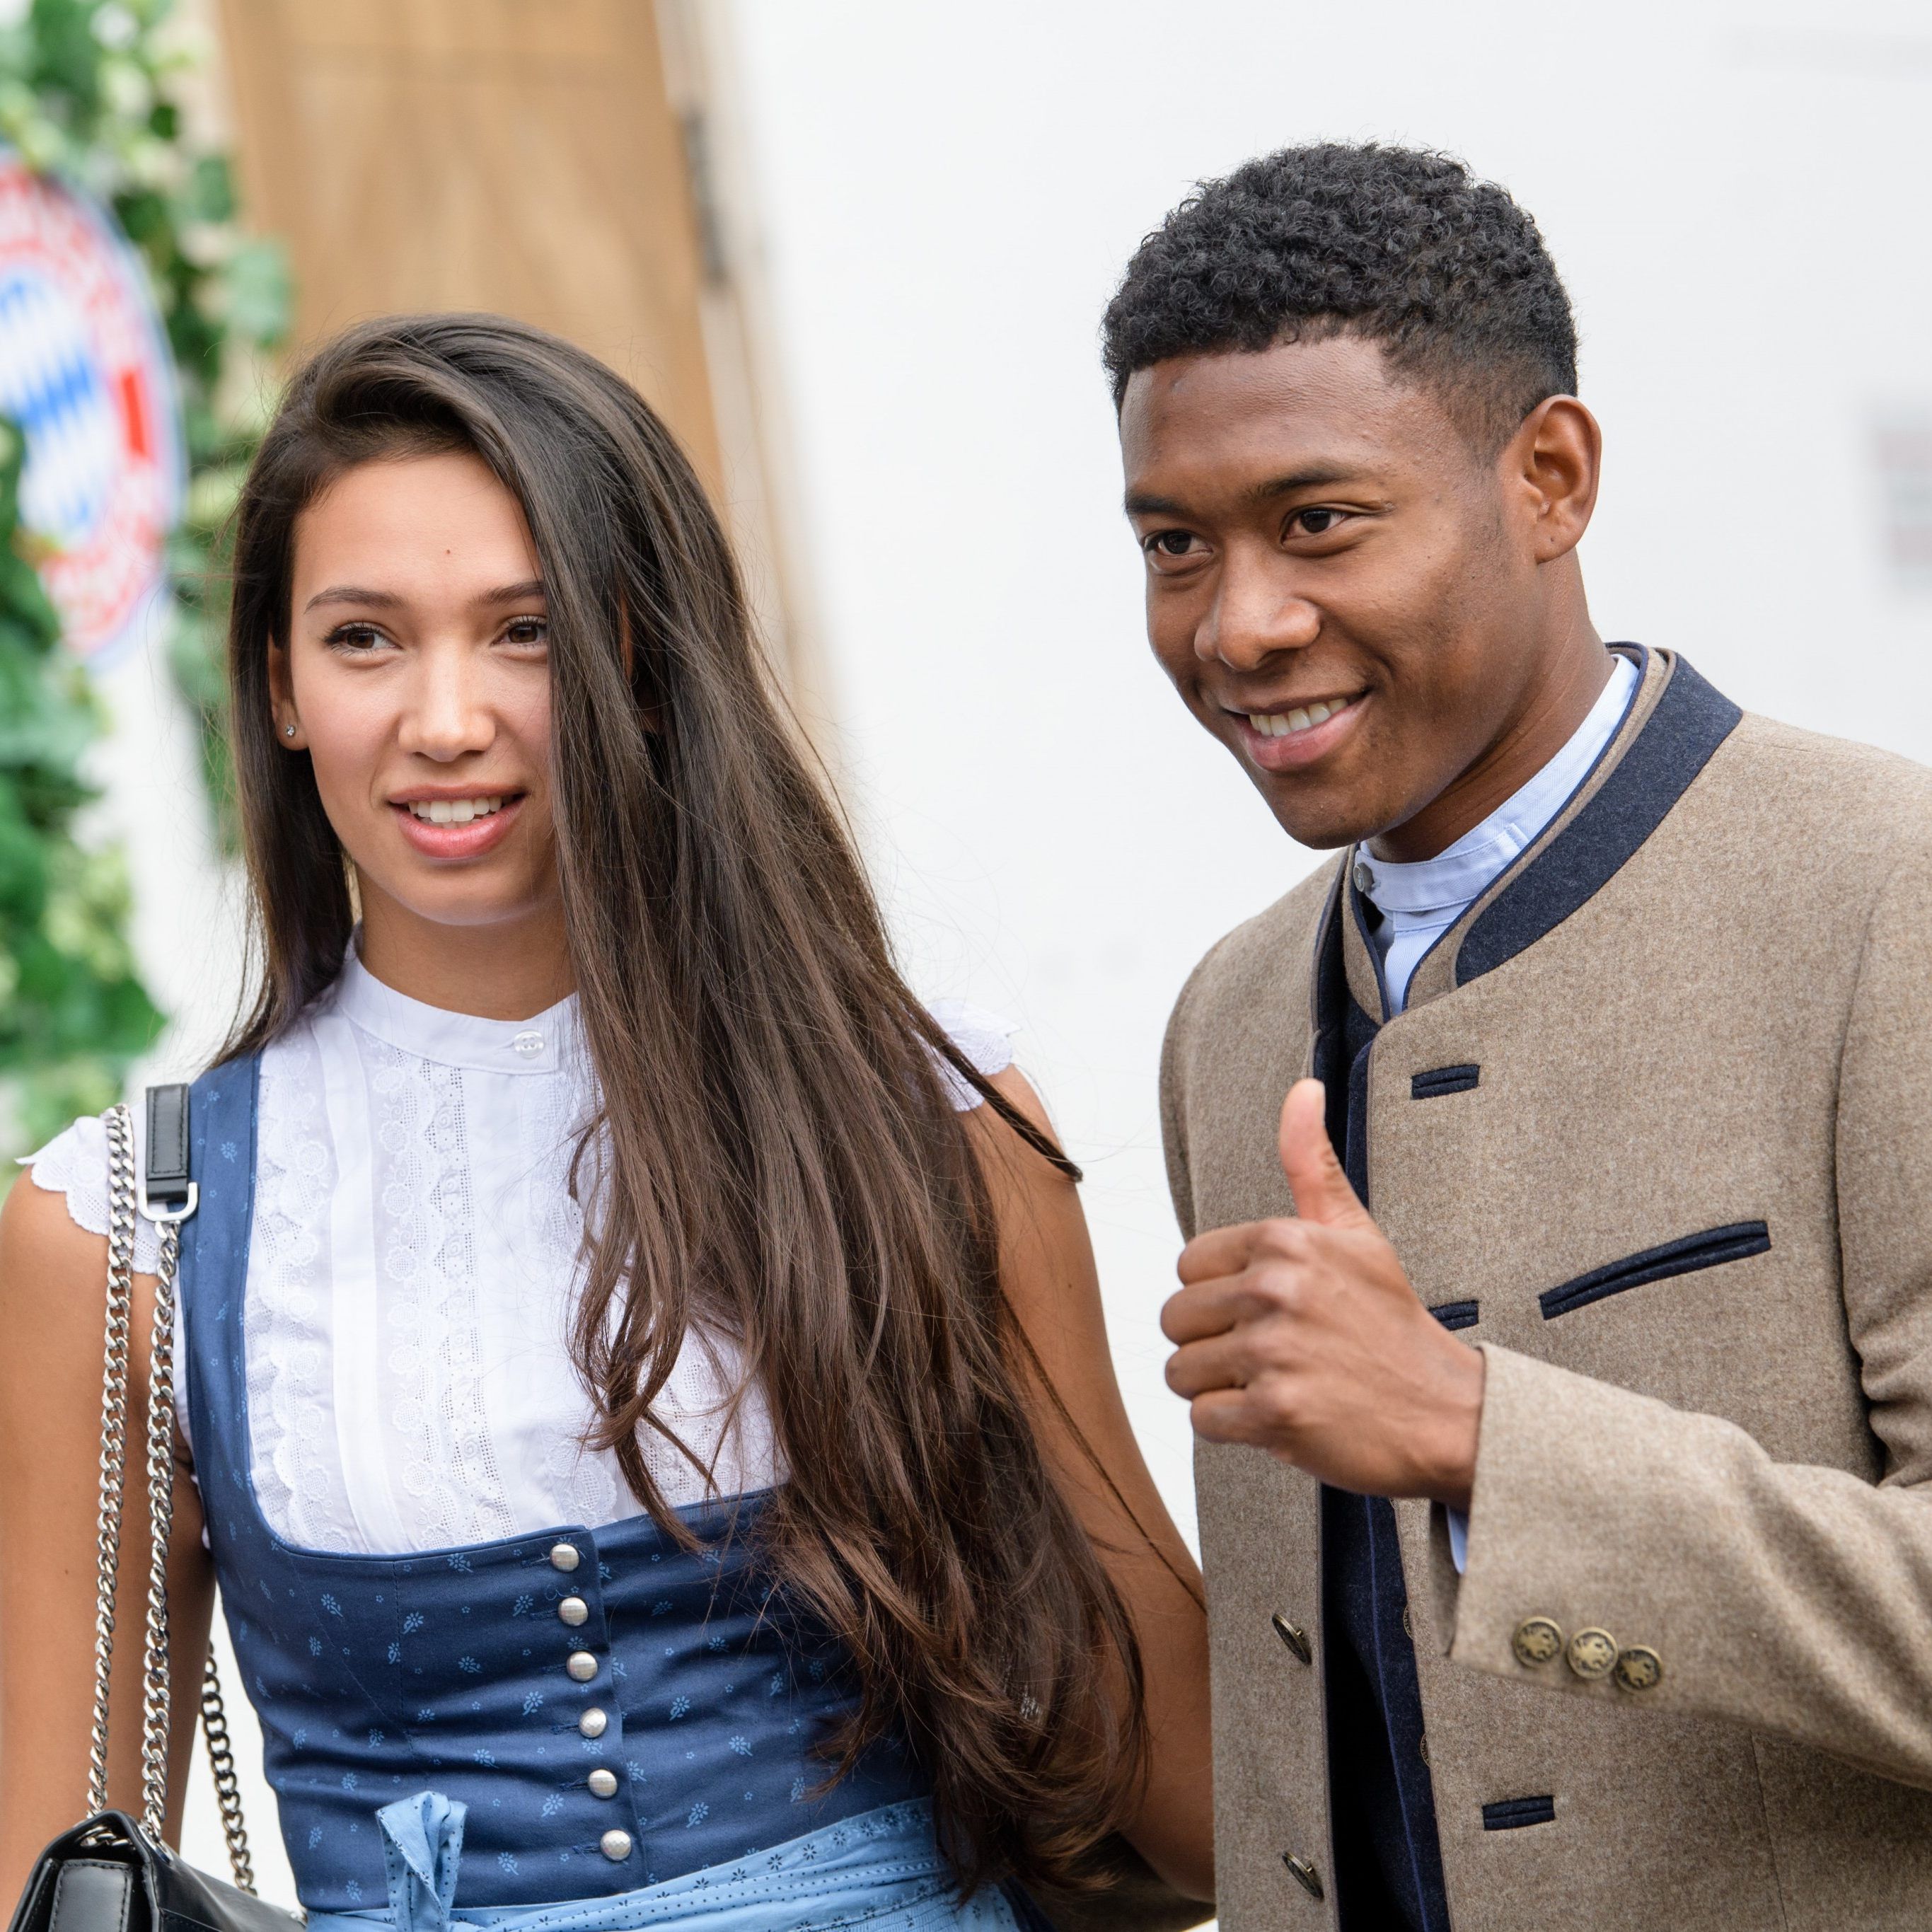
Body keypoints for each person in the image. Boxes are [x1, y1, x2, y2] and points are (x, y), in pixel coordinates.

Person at [0, 315, 1214, 1932]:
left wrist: (1392, 1466)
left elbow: (1187, 1789)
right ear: (279, 685)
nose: (446, 718)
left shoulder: (922, 1119)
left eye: (529, 631)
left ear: (644, 660)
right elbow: (51, 1883)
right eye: (366, 638)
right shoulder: (128, 1233)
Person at [1106, 142, 1932, 1931]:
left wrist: (1489, 1436)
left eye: (1318, 520)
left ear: (1546, 477)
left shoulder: (1886, 896)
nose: (1237, 624)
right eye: (1177, 544)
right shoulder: (1226, 1018)